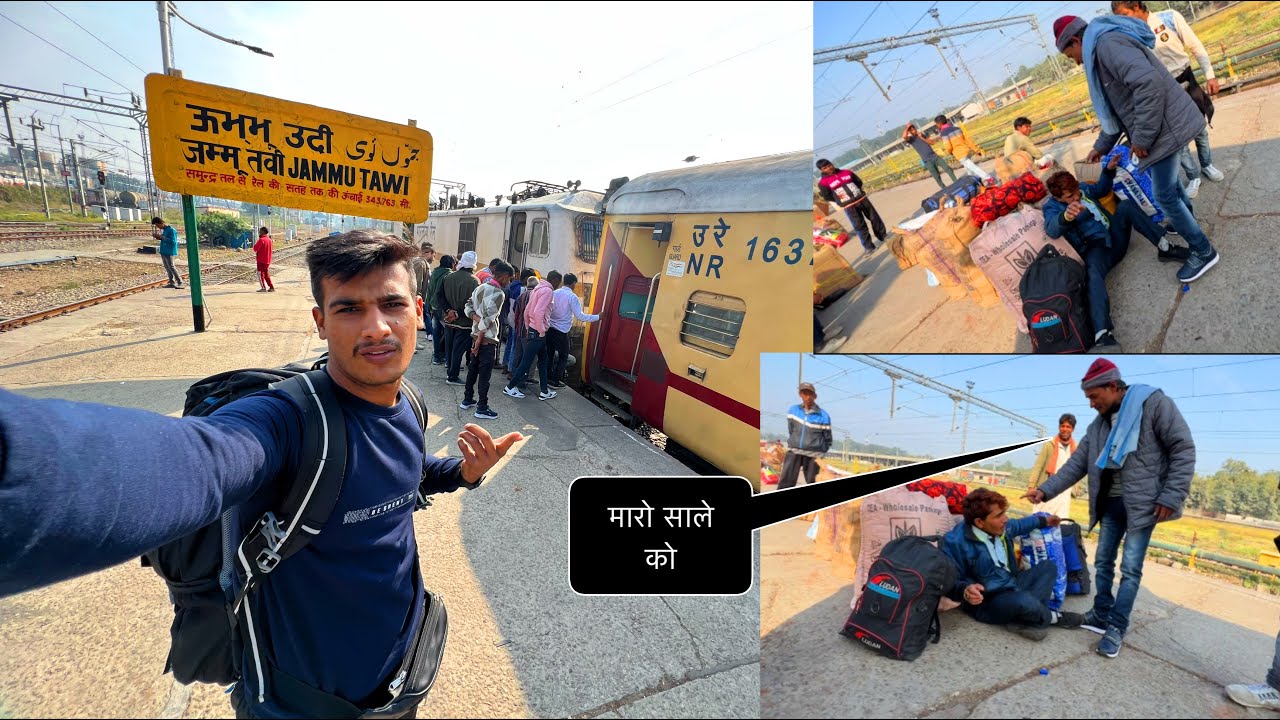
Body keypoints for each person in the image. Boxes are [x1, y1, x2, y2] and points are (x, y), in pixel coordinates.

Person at [0, 229, 521, 718]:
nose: (377, 327)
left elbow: (403, 474)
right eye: (349, 309)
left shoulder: (408, 403)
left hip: (405, 670)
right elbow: (192, 460)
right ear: (320, 322)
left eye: (391, 304)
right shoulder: (288, 423)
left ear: (418, 312)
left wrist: (461, 473)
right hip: (301, 701)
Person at [1025, 358, 1195, 658]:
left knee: (1130, 569)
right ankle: (1100, 613)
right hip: (1110, 504)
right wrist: (1045, 489)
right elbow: (1077, 464)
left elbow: (1183, 448)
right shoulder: (1098, 425)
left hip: (1144, 505)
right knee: (1103, 562)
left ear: (1113, 386)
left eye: (1094, 396)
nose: (1091, 404)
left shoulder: (1154, 404)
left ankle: (1116, 625)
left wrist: (1171, 496)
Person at [1054, 14, 1221, 284]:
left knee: (1164, 195)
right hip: (1162, 127)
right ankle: (1186, 221)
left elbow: (1148, 85)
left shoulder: (1107, 45)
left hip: (1163, 129)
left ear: (1075, 40)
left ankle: (1203, 251)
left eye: (1070, 55)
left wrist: (1141, 138)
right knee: (1170, 187)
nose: (1076, 61)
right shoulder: (1102, 47)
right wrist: (1100, 147)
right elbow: (1121, 108)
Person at [1042, 158, 1191, 350]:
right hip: (1097, 248)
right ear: (1059, 198)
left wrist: (1108, 171)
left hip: (1113, 234)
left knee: (1126, 206)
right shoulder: (1052, 207)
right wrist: (1066, 216)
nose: (1076, 198)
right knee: (1093, 275)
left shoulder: (1081, 190)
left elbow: (1101, 190)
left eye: (1077, 192)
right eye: (1070, 197)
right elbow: (1052, 229)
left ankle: (1166, 248)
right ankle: (1103, 334)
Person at [1111, 1, 1224, 199]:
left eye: (1124, 13)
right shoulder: (1130, 36)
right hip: (1164, 91)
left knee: (1200, 131)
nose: (1122, 20)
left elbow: (1195, 46)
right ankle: (1193, 176)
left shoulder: (1169, 18)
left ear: (1137, 6)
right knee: (1178, 141)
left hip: (1187, 81)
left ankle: (1207, 165)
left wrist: (1210, 75)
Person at [942, 488, 1085, 641]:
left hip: (1012, 583)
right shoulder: (954, 542)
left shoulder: (1002, 527)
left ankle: (1026, 618)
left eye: (1004, 512)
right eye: (999, 515)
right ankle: (1050, 617)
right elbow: (949, 581)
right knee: (1022, 600)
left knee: (1048, 567)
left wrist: (1046, 521)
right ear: (979, 522)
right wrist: (965, 590)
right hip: (988, 601)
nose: (1005, 519)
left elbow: (1020, 524)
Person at [461, 261, 515, 421]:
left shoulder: (480, 287)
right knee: (484, 375)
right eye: (510, 278)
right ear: (505, 276)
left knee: (472, 371)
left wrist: (475, 319)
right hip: (486, 340)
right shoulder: (499, 293)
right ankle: (482, 408)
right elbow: (489, 320)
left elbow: (467, 307)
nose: (509, 282)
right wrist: (478, 341)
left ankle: (467, 399)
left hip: (474, 335)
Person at [815, 158, 889, 257]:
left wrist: (857, 193)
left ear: (832, 164)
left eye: (829, 165)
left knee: (874, 218)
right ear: (821, 170)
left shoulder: (846, 172)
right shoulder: (823, 183)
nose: (829, 168)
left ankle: (883, 236)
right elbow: (827, 196)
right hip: (849, 206)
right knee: (859, 226)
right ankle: (869, 247)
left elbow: (858, 182)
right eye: (825, 167)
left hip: (862, 199)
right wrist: (841, 201)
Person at [503, 272, 555, 401]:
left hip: (533, 329)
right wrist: (542, 330)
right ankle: (510, 387)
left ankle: (544, 391)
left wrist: (528, 326)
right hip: (538, 332)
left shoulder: (536, 290)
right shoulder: (547, 291)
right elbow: (538, 312)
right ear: (555, 281)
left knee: (543, 360)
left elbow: (527, 311)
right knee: (526, 362)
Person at [546, 273, 600, 388]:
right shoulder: (572, 297)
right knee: (563, 357)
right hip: (561, 331)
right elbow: (580, 316)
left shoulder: (554, 293)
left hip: (549, 329)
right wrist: (598, 317)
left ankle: (547, 378)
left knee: (549, 355)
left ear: (563, 281)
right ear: (573, 283)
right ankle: (555, 381)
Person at [777, 382, 831, 490]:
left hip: (814, 455)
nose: (807, 396)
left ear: (815, 396)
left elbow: (827, 438)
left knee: (813, 483)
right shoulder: (793, 410)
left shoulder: (824, 416)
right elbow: (791, 429)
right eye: (804, 393)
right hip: (794, 452)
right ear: (800, 395)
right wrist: (795, 442)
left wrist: (820, 453)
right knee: (785, 483)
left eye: (810, 394)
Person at [1027, 414, 1079, 519]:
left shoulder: (1076, 448)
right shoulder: (1049, 445)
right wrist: (1031, 487)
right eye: (1062, 426)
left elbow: (1078, 470)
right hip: (1047, 488)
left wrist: (1077, 488)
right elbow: (1038, 466)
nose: (1065, 429)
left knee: (1060, 522)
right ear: (1059, 427)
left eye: (1068, 427)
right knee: (1041, 520)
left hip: (1065, 491)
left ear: (1072, 429)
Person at [440, 251, 480, 385]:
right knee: (458, 350)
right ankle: (452, 376)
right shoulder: (475, 281)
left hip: (448, 320)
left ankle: (450, 369)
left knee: (450, 348)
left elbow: (439, 296)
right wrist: (457, 313)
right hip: (464, 322)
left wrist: (449, 311)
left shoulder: (448, 277)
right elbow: (475, 305)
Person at [934, 115, 994, 185]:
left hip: (959, 154)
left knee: (973, 167)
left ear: (939, 124)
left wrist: (950, 152)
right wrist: (976, 149)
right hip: (967, 151)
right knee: (969, 170)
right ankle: (974, 184)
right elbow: (968, 139)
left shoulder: (944, 133)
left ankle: (988, 177)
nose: (936, 126)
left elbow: (948, 147)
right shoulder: (957, 128)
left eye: (936, 124)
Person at [903, 123, 958, 190]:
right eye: (911, 130)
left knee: (947, 168)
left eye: (914, 129)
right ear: (909, 132)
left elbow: (932, 143)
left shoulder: (922, 135)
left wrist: (921, 137)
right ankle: (944, 189)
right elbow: (904, 137)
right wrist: (907, 127)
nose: (914, 131)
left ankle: (956, 182)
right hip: (927, 161)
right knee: (936, 176)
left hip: (935, 156)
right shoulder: (911, 139)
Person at [501, 268, 535, 373]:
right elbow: (519, 306)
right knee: (515, 346)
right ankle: (511, 369)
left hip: (510, 317)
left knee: (510, 343)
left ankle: (505, 365)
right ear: (526, 279)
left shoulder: (512, 285)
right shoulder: (521, 289)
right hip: (516, 320)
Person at [427, 254, 454, 365]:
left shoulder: (434, 273)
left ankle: (437, 357)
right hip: (443, 308)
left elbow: (429, 290)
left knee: (436, 332)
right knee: (448, 333)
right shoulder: (449, 274)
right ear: (451, 263)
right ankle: (447, 359)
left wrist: (428, 306)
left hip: (433, 306)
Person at [152, 216, 184, 289]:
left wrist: (162, 237)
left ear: (162, 223)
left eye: (158, 225)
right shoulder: (165, 230)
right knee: (167, 267)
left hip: (169, 250)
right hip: (164, 250)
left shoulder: (171, 230)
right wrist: (159, 237)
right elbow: (165, 239)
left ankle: (179, 282)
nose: (158, 227)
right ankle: (171, 282)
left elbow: (173, 242)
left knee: (171, 267)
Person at [253, 226, 275, 293]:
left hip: (261, 260)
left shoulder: (261, 240)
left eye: (260, 231)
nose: (259, 232)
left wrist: (257, 241)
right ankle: (271, 287)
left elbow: (255, 249)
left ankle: (263, 288)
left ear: (263, 231)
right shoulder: (269, 240)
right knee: (266, 274)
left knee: (260, 274)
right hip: (267, 260)